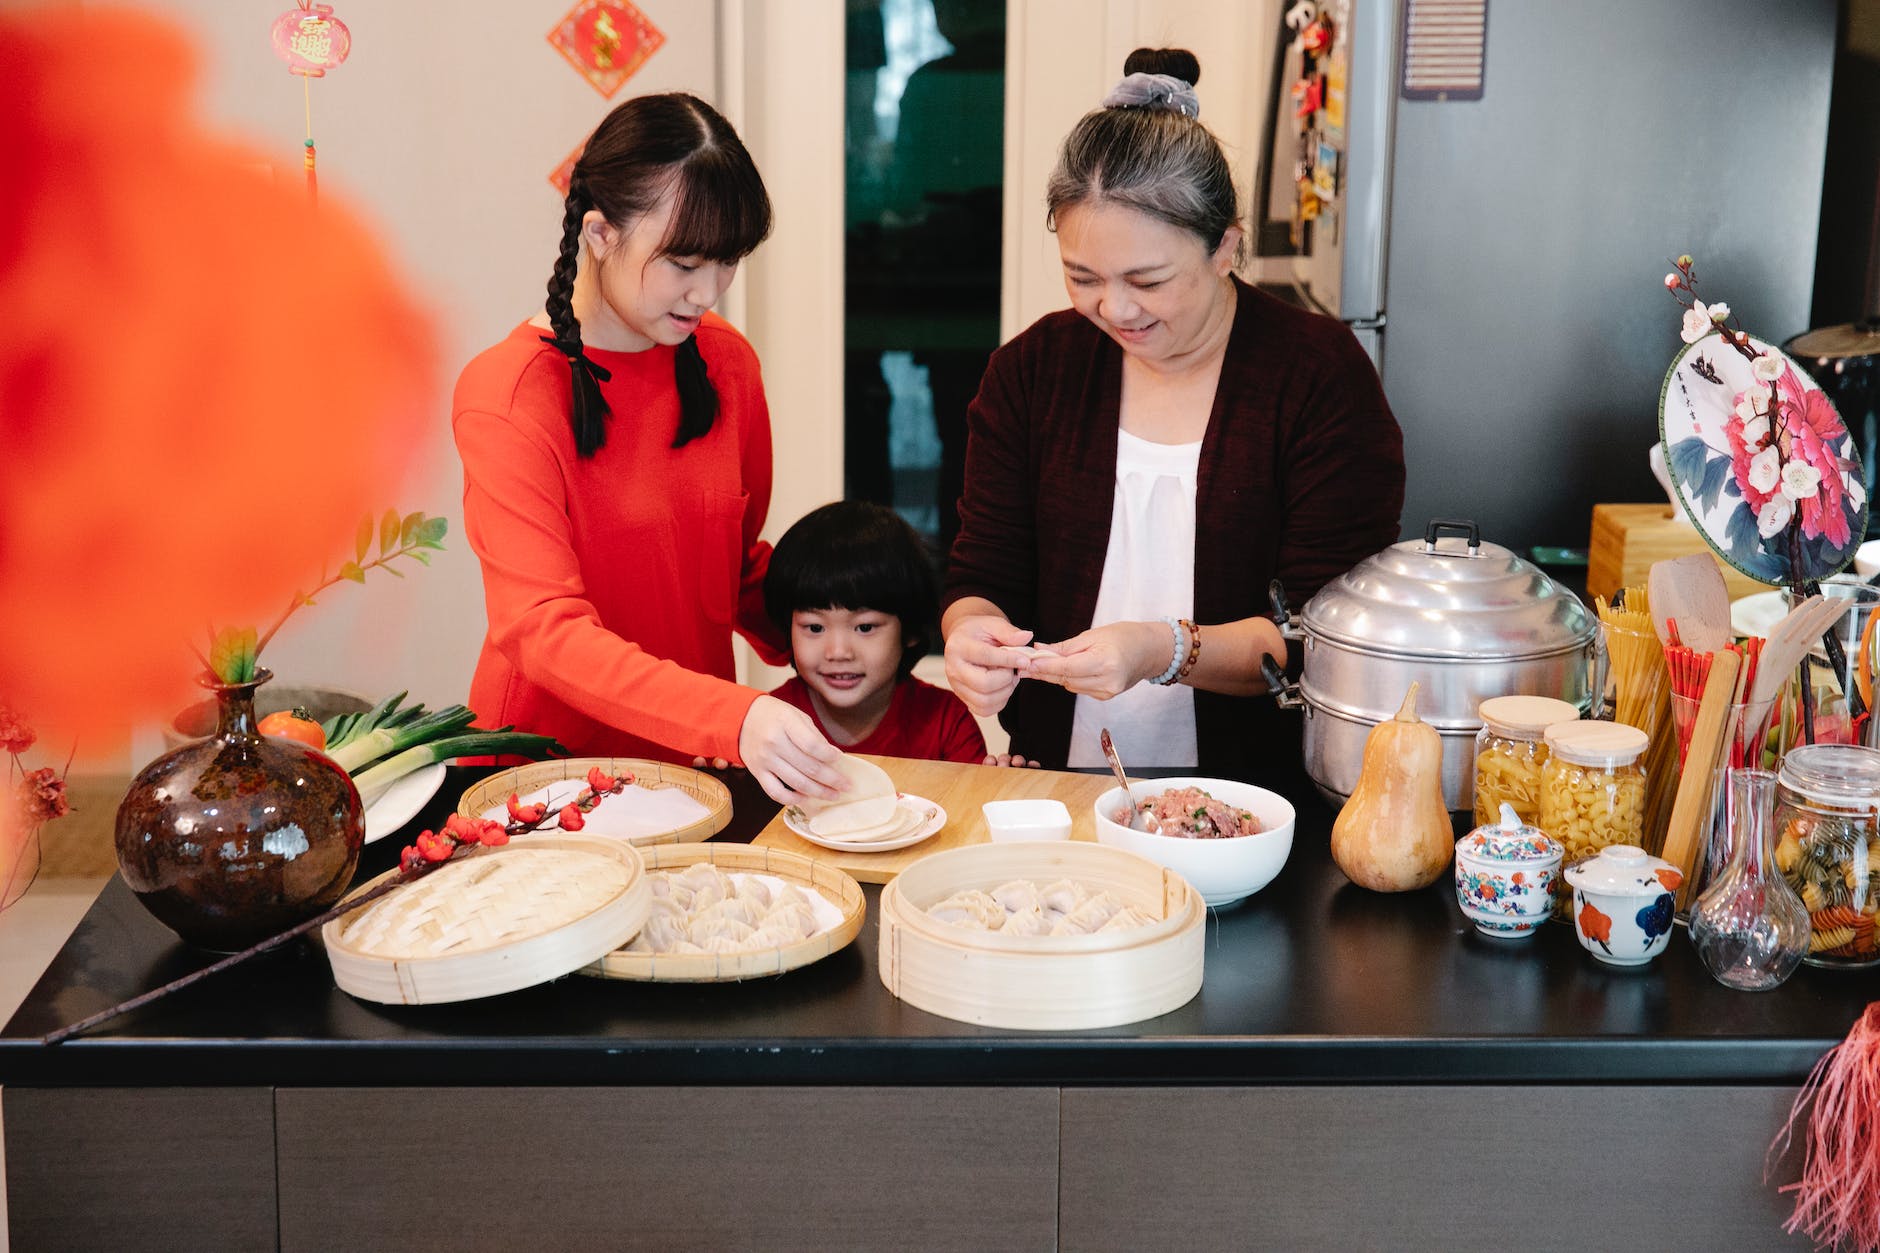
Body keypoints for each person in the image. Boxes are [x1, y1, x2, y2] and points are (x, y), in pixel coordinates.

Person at [941, 48, 1405, 778]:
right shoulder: (1033, 371)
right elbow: (982, 569)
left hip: (1255, 803)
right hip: (1058, 784)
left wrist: (1163, 649)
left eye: (1147, 280)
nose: (1114, 309)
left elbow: (1328, 636)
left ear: (1226, 247)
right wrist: (972, 634)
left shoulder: (1317, 376)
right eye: (1082, 277)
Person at [453, 93, 846, 808]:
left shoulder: (727, 363)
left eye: (727, 263)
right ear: (600, 234)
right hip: (543, 780)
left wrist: (852, 634)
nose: (708, 292)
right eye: (683, 262)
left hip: (695, 773)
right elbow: (542, 631)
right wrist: (739, 714)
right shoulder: (508, 394)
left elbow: (731, 564)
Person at [763, 500, 989, 764]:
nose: (838, 652)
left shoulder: (946, 723)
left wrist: (1006, 782)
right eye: (815, 627)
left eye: (865, 627)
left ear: (911, 629)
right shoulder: (771, 722)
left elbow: (975, 802)